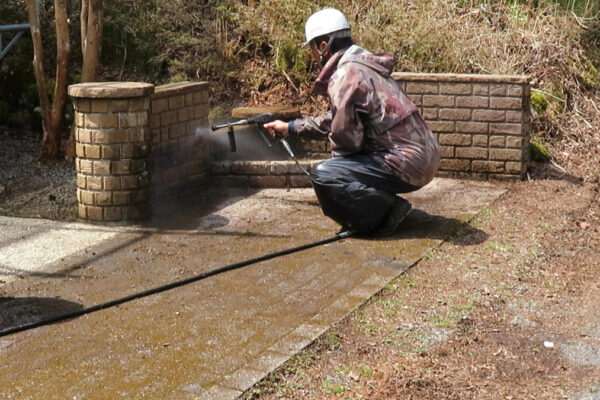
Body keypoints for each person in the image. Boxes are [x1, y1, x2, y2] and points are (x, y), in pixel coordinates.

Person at [264, 8, 440, 236]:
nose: (312, 54)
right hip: (426, 155)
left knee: (325, 175)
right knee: (336, 172)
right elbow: (336, 118)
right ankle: (386, 204)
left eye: (312, 48)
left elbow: (346, 141)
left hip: (407, 163)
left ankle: (386, 213)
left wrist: (338, 185)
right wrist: (290, 127)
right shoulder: (364, 66)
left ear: (324, 46)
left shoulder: (345, 75)